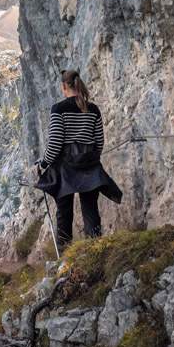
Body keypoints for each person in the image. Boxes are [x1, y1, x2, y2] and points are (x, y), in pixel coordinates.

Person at [35, 68, 122, 250]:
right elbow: (99, 141)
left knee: (64, 212)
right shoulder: (93, 109)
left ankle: (65, 255)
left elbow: (55, 143)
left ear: (64, 87)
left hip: (65, 167)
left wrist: (43, 163)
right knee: (90, 209)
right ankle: (95, 250)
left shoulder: (59, 109)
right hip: (89, 164)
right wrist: (91, 158)